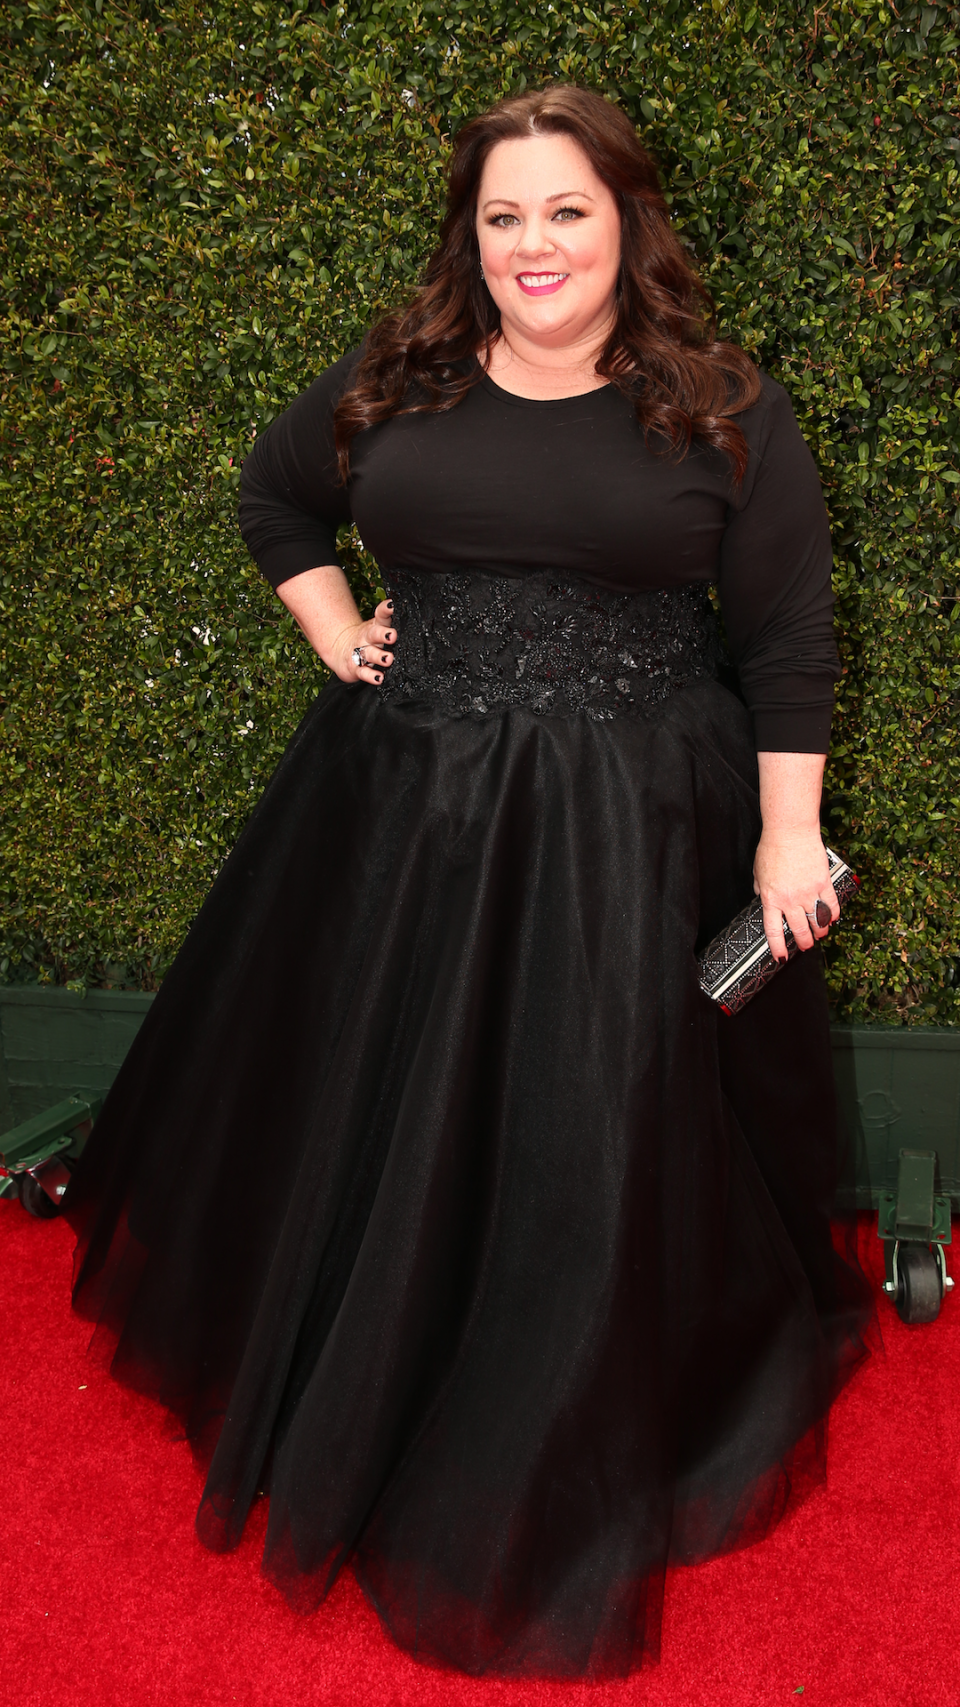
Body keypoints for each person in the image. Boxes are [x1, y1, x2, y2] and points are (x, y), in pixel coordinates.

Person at [64, 84, 871, 1680]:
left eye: (566, 209)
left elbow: (785, 634)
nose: (534, 245)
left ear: (628, 221)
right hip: (406, 809)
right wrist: (330, 625)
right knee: (386, 1114)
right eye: (503, 215)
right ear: (471, 235)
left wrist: (788, 836)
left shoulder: (717, 404)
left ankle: (567, 1408)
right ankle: (383, 1365)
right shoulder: (401, 382)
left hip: (631, 823)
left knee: (599, 1126)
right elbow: (274, 493)